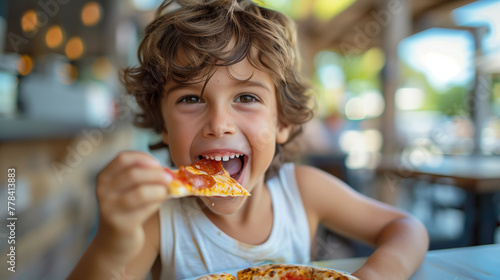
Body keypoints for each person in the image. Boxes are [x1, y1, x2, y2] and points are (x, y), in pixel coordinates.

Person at [68, 0, 428, 279]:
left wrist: (375, 274)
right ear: (162, 125)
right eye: (190, 99)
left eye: (246, 98)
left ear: (282, 122)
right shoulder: (157, 218)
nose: (219, 124)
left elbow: (407, 228)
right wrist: (114, 241)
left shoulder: (303, 193)